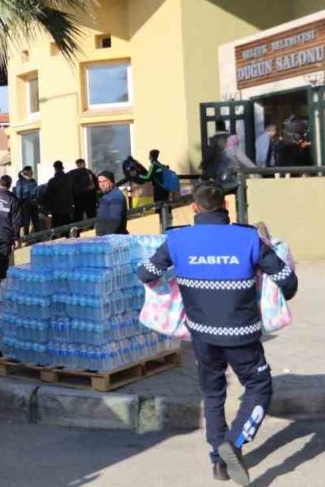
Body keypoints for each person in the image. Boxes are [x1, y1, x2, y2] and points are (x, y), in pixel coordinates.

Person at [136, 183, 298, 485]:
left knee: (213, 394)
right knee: (259, 386)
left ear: (194, 208)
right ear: (225, 205)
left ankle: (218, 462)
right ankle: (234, 443)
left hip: (201, 334)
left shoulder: (177, 239)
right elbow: (287, 281)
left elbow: (145, 274)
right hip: (242, 334)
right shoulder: (248, 238)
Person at [41, 161, 75, 229]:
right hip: (68, 207)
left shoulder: (52, 181)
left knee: (57, 229)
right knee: (68, 227)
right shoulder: (69, 179)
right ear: (62, 167)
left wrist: (46, 207)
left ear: (55, 168)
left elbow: (47, 195)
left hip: (57, 209)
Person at [94, 171, 128, 235]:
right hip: (104, 237)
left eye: (104, 181)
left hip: (113, 238)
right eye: (100, 182)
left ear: (111, 181)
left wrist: (106, 238)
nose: (102, 184)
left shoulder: (116, 196)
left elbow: (115, 220)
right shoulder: (106, 195)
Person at [14, 166, 39, 235]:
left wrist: (36, 200)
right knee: (26, 223)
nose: (32, 173)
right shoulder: (20, 182)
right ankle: (27, 237)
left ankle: (38, 237)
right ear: (27, 172)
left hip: (34, 204)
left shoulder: (33, 181)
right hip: (25, 205)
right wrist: (21, 206)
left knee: (36, 222)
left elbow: (36, 192)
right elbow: (18, 196)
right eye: (31, 172)